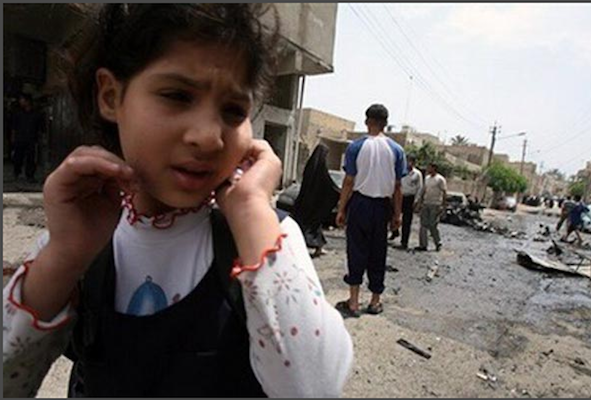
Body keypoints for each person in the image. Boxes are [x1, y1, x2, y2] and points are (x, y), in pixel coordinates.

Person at [2, 5, 353, 398]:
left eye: (233, 110)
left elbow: (316, 388)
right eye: (177, 96)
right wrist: (64, 256)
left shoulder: (266, 242)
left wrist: (252, 210)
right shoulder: (78, 240)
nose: (208, 137)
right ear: (111, 95)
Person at [334, 104, 406, 317]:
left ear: (367, 121)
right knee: (378, 252)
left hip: (359, 204)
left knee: (356, 250)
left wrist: (341, 209)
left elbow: (349, 181)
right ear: (386, 124)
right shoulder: (396, 150)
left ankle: (354, 302)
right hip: (382, 206)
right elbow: (398, 187)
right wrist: (397, 214)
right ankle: (375, 301)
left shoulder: (356, 147)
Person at [292, 143, 340, 258]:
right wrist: (338, 192)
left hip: (305, 202)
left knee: (310, 225)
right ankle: (313, 247)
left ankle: (317, 248)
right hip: (314, 204)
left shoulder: (311, 167)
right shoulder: (321, 170)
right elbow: (328, 183)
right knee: (312, 225)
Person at [388, 154, 422, 249]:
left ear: (414, 163)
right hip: (399, 196)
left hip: (409, 198)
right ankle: (394, 231)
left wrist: (416, 200)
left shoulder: (417, 174)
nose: (408, 163)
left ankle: (404, 242)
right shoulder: (400, 171)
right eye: (407, 161)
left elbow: (419, 188)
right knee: (392, 215)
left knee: (407, 221)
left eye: (410, 161)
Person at [11, 93, 43, 182]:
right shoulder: (18, 113)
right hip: (19, 138)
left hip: (31, 139)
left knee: (31, 158)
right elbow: (14, 127)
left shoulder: (36, 114)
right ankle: (17, 173)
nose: (20, 102)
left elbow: (40, 128)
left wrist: (40, 138)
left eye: (22, 100)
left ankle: (30, 175)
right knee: (18, 157)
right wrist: (13, 138)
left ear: (28, 101)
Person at [415, 163, 447, 252]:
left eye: (429, 167)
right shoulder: (427, 178)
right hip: (426, 203)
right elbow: (423, 191)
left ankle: (438, 243)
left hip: (435, 204)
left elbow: (444, 192)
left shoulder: (440, 179)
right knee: (423, 225)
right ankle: (423, 244)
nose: (428, 169)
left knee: (433, 225)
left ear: (434, 168)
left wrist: (443, 206)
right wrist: (420, 203)